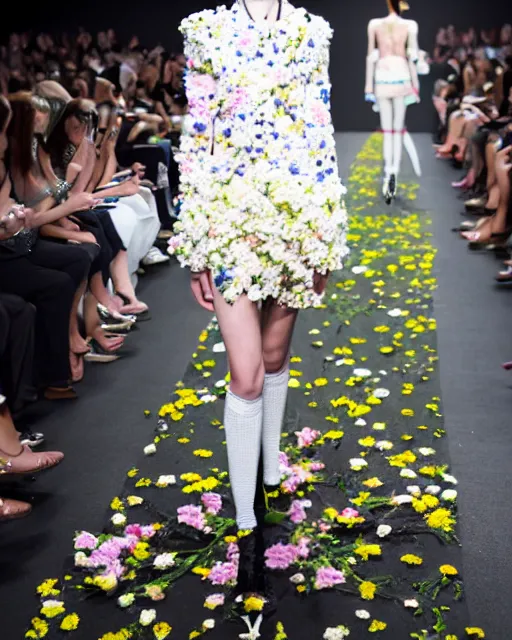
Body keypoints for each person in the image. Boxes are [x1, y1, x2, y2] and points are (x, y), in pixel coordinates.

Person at [169, 0, 348, 596]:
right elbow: (198, 133)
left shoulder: (310, 30)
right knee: (244, 374)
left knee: (272, 360)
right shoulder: (207, 28)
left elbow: (320, 129)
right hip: (226, 217)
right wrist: (193, 242)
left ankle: (270, 476)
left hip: (295, 217)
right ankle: (247, 531)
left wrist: (326, 234)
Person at [364, 0, 421, 203]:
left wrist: (368, 86)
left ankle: (388, 173)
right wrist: (415, 85)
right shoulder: (410, 26)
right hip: (401, 74)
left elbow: (371, 56)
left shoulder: (374, 24)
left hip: (382, 75)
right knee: (398, 129)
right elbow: (412, 57)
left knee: (387, 129)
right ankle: (393, 169)